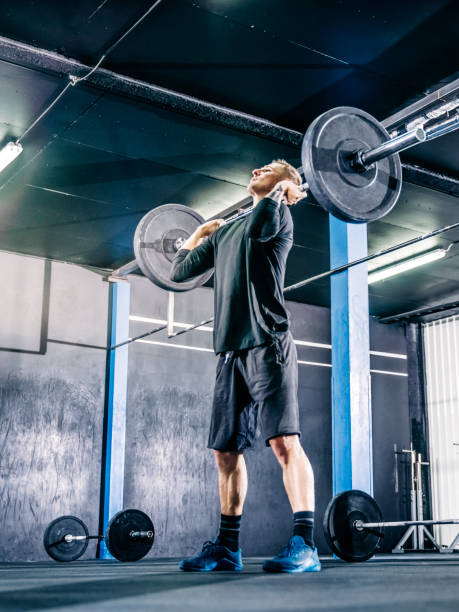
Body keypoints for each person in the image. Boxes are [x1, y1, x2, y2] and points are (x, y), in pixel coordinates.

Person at [170, 159, 320, 573]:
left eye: (269, 167)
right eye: (258, 168)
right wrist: (202, 233)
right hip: (230, 351)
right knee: (225, 451)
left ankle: (305, 544)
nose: (257, 169)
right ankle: (227, 547)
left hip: (268, 342)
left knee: (283, 442)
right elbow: (179, 270)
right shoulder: (229, 230)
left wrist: (284, 189)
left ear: (287, 185)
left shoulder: (277, 216)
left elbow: (258, 230)